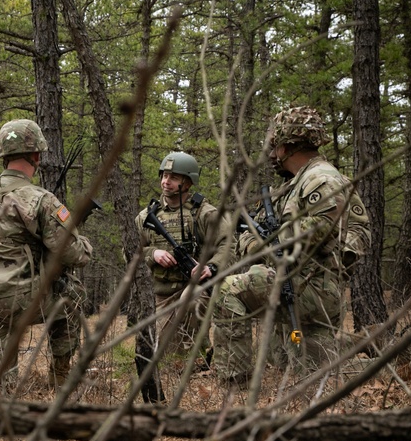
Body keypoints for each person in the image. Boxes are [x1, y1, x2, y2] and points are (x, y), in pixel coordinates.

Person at [212, 106, 371, 387]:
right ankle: (371, 350)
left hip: (311, 286)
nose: (272, 155)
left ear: (289, 145)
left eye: (275, 147)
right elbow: (254, 236)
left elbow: (324, 229)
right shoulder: (299, 183)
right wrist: (256, 243)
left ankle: (233, 386)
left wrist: (271, 242)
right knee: (300, 366)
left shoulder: (320, 179)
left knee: (226, 289)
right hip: (308, 284)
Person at [0, 119, 93, 389]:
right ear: (36, 155)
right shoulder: (41, 198)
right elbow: (74, 255)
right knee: (73, 293)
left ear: (2, 156)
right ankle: (61, 378)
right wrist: (84, 243)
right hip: (22, 299)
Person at [135, 151, 231, 366]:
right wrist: (152, 254)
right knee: (164, 359)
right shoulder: (146, 217)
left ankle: (199, 355)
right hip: (162, 294)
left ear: (188, 182)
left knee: (191, 299)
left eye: (174, 177)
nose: (166, 182)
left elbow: (228, 245)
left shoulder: (205, 214)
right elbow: (130, 251)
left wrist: (211, 267)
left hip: (197, 287)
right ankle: (192, 355)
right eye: (164, 176)